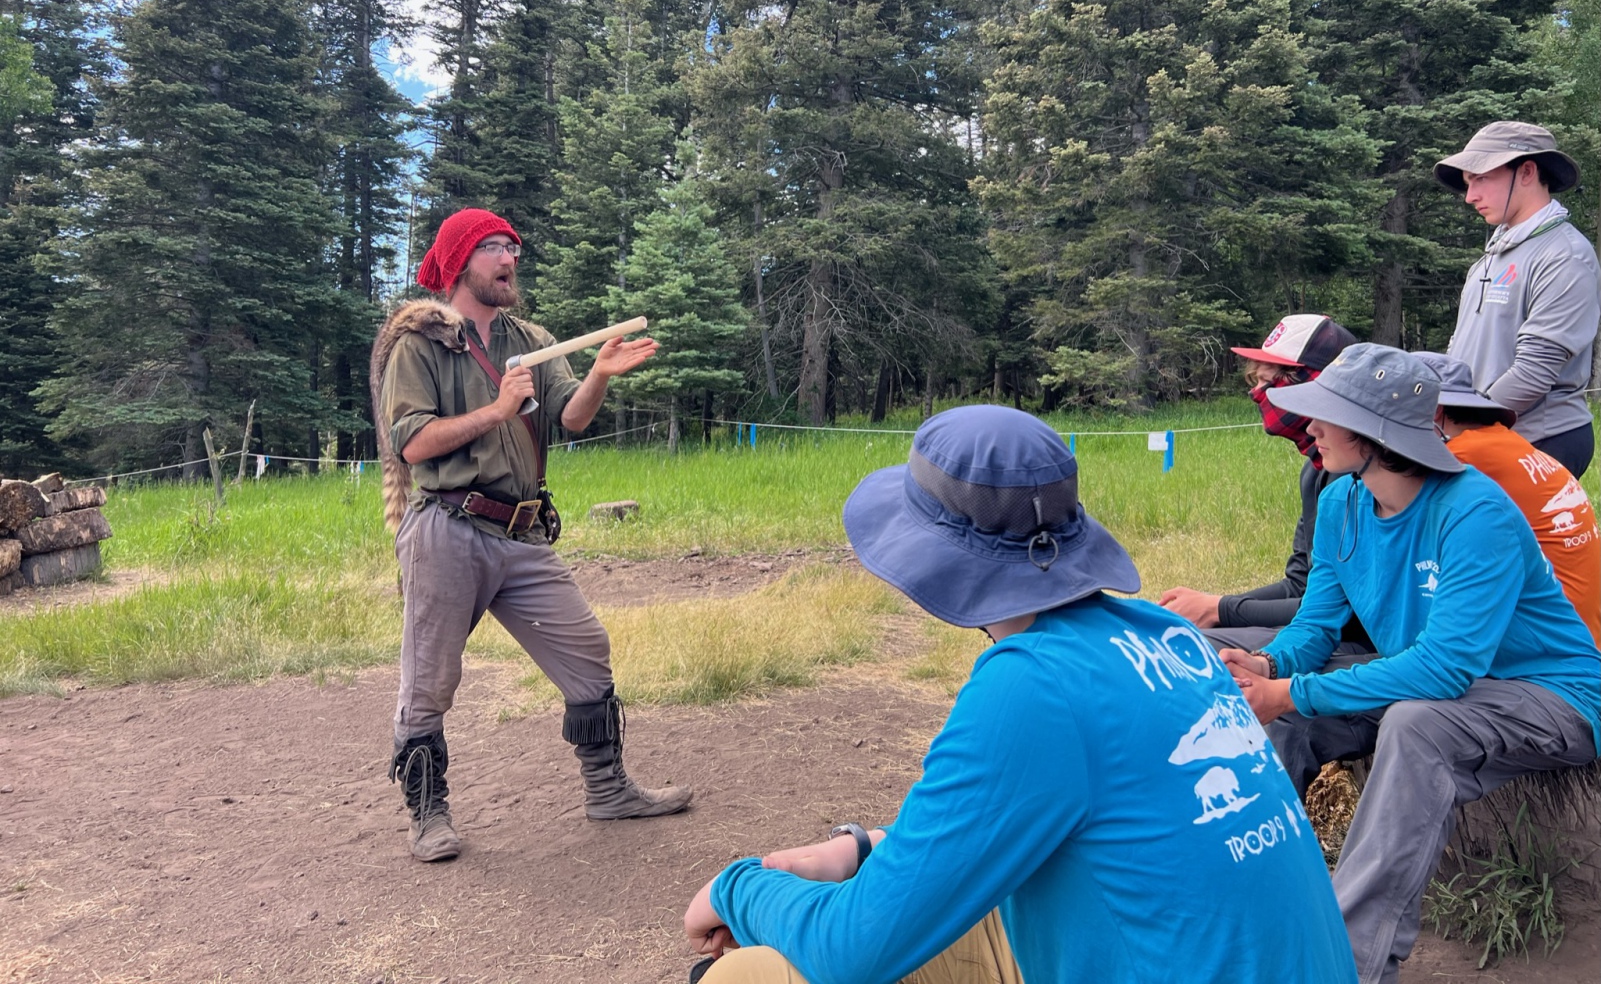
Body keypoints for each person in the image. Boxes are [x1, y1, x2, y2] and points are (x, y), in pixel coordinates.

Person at [684, 406, 1355, 984]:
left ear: (931, 553)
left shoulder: (1032, 685)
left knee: (751, 972)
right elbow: (1088, 817)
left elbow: (852, 950)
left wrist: (738, 887)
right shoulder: (1165, 634)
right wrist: (864, 851)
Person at [1221, 344, 1600, 984]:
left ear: (1375, 432)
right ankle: (1246, 906)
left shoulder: (1475, 511)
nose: (1310, 426)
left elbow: (1445, 669)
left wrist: (1291, 692)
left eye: (1326, 414)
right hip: (1442, 683)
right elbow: (1315, 626)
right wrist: (1268, 665)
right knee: (1261, 695)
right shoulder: (1343, 503)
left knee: (1416, 725)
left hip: (1550, 693)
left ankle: (1347, 964)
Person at [374, 207, 691, 862]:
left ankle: (608, 790)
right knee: (430, 678)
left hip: (521, 532)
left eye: (512, 247)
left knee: (585, 647)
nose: (509, 258)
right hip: (447, 527)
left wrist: (599, 374)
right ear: (460, 262)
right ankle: (428, 815)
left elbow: (570, 418)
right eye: (492, 247)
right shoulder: (420, 345)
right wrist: (495, 410)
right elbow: (412, 444)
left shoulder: (533, 340)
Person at [1161, 313, 1367, 653]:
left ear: (1313, 386)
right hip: (1322, 632)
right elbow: (1299, 584)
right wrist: (1209, 608)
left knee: (1190, 650)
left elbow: (1348, 611)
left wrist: (1220, 609)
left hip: (1357, 645)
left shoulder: (1361, 480)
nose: (1256, 393)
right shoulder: (1315, 471)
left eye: (1268, 381)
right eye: (1255, 381)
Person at [1436, 121, 1600, 477]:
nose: (1470, 196)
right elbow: (1460, 348)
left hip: (1537, 441)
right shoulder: (1489, 258)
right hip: (1482, 436)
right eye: (1467, 183)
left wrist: (1465, 426)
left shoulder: (1565, 255)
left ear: (1526, 172)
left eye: (1481, 179)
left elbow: (1534, 372)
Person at [1413, 350, 1600, 645]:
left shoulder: (1462, 454)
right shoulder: (1500, 440)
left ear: (1434, 410)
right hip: (1581, 629)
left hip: (1548, 643)